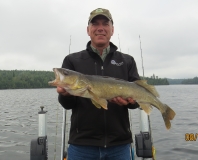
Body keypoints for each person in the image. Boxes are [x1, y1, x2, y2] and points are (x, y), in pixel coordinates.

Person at [57, 8, 140, 160]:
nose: (100, 28)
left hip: (119, 145)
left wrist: (131, 102)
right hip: (82, 145)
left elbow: (135, 103)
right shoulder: (72, 60)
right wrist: (65, 94)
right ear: (88, 30)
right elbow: (67, 104)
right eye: (95, 24)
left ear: (112, 30)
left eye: (105, 24)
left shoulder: (127, 61)